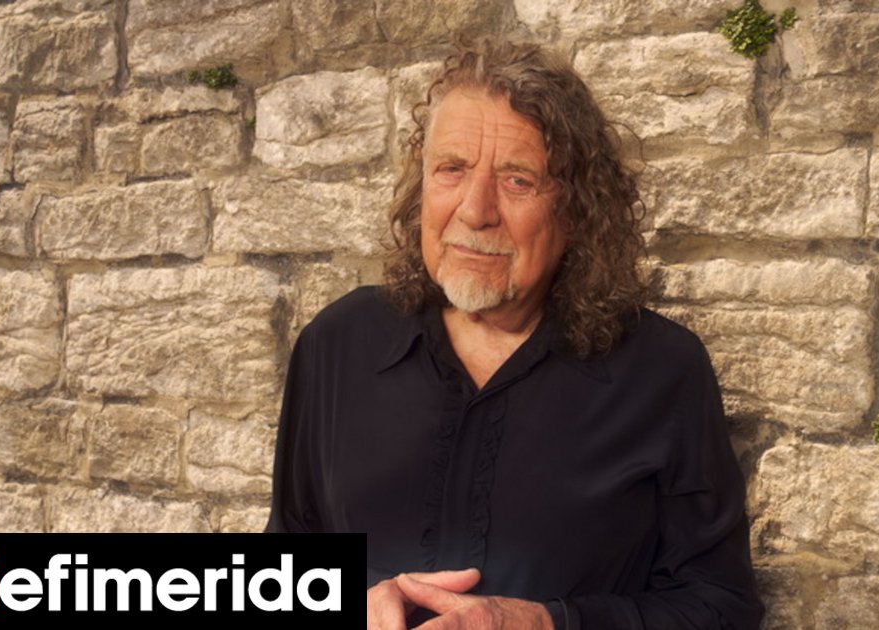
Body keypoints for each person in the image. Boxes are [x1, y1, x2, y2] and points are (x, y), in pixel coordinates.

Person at [266, 37, 761, 630]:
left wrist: (548, 624)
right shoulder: (337, 344)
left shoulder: (661, 370)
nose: (476, 211)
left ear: (576, 211)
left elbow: (721, 607)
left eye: (518, 180)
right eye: (451, 170)